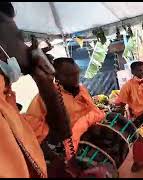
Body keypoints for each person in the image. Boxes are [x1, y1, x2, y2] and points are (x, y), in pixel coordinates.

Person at [0, 2, 72, 177]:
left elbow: (60, 134)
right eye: (20, 38)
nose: (27, 47)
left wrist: (45, 82)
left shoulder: (6, 101)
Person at [23, 57, 105, 161]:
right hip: (63, 149)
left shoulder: (82, 90)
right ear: (56, 76)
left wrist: (88, 123)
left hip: (89, 142)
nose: (75, 77)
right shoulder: (46, 96)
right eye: (69, 75)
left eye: (77, 73)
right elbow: (32, 123)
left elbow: (93, 111)